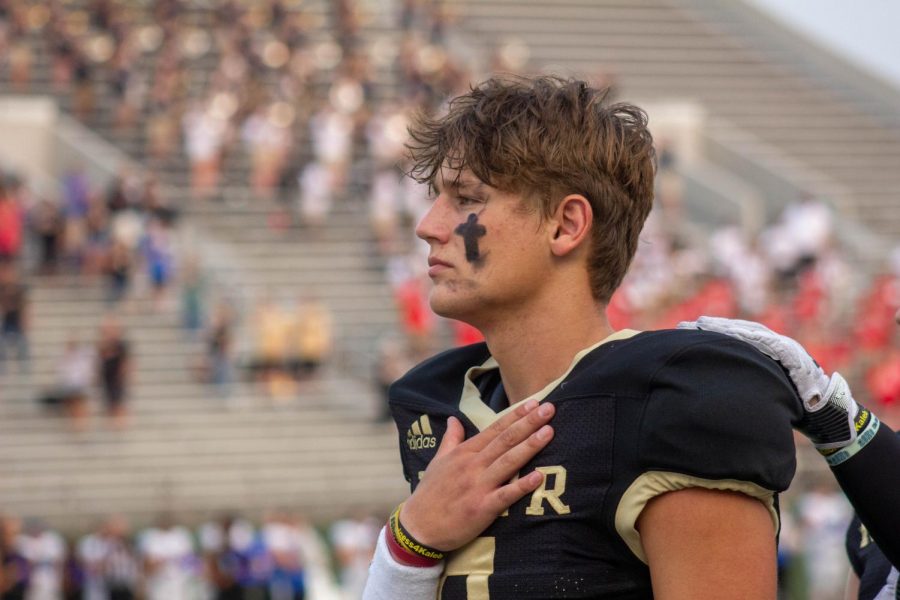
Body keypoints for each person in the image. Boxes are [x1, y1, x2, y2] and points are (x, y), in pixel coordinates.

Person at [363, 76, 900, 599]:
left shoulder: (676, 398)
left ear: (566, 225)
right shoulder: (437, 400)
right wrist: (408, 545)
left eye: (465, 198)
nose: (427, 224)